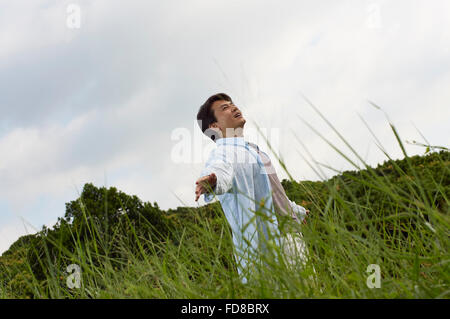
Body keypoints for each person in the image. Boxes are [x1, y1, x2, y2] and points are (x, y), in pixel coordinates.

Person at [195, 93, 311, 284]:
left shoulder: (255, 150)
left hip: (291, 235)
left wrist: (296, 211)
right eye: (224, 108)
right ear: (214, 127)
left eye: (232, 104)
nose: (233, 107)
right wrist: (213, 181)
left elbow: (271, 191)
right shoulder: (224, 152)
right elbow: (220, 169)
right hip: (272, 244)